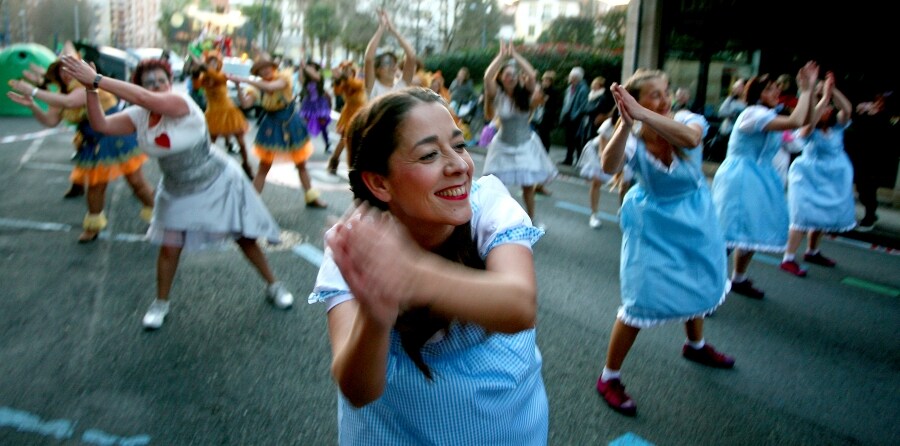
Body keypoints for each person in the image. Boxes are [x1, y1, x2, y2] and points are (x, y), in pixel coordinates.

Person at [308, 87, 548, 444]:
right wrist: (376, 314)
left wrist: (411, 275)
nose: (459, 166)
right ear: (379, 182)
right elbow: (358, 390)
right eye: (429, 155)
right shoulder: (355, 244)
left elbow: (519, 305)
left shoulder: (489, 206)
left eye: (460, 145)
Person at [58, 56, 296, 329]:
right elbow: (102, 125)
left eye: (162, 81)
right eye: (149, 82)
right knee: (169, 248)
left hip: (217, 181)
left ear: (170, 84)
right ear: (139, 85)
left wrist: (97, 79)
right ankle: (160, 303)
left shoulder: (181, 103)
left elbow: (147, 99)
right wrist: (91, 89)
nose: (157, 85)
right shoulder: (138, 115)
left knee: (244, 238)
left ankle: (274, 285)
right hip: (176, 188)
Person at [596, 69, 733, 417]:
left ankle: (695, 344)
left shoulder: (687, 119)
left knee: (698, 280)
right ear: (635, 101)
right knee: (639, 300)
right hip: (653, 225)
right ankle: (609, 376)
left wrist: (644, 114)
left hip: (695, 220)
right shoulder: (633, 137)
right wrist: (627, 123)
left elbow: (690, 140)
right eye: (654, 94)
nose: (665, 98)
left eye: (665, 91)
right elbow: (608, 164)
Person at [7, 60, 155, 243]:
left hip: (116, 136)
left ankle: (158, 216)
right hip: (93, 142)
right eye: (62, 71)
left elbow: (70, 102)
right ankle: (93, 227)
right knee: (95, 186)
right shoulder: (60, 94)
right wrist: (32, 104)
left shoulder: (85, 84)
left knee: (136, 183)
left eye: (70, 69)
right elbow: (50, 121)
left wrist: (35, 91)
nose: (66, 74)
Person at [711, 61, 819, 299]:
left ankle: (738, 278)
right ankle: (706, 286)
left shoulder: (770, 116)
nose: (776, 92)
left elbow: (805, 125)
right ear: (757, 94)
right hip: (739, 179)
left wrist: (810, 92)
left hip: (759, 180)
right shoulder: (752, 113)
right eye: (769, 89)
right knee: (728, 234)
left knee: (750, 231)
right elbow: (796, 121)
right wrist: (807, 90)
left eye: (776, 89)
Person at [780, 72, 857, 275]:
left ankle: (813, 251)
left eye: (829, 105)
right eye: (824, 105)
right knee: (802, 216)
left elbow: (847, 109)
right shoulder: (808, 125)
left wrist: (831, 91)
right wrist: (822, 97)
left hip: (833, 176)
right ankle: (788, 257)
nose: (828, 108)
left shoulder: (837, 126)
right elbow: (808, 126)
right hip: (808, 175)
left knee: (822, 212)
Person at [227, 58, 327, 208]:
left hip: (291, 122)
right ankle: (251, 203)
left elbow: (271, 87)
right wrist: (238, 86)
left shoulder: (283, 78)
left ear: (273, 67)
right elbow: (246, 103)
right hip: (271, 125)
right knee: (264, 166)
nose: (266, 70)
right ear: (258, 73)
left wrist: (243, 79)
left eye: (268, 66)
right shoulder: (257, 87)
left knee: (301, 164)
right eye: (262, 68)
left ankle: (311, 197)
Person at [482, 41, 557, 225]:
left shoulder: (525, 93)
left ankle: (531, 220)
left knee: (528, 187)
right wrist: (501, 56)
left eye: (514, 74)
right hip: (502, 146)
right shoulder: (497, 95)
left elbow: (531, 74)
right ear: (501, 78)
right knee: (498, 187)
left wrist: (514, 55)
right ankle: (499, 220)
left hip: (525, 144)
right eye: (508, 74)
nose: (512, 77)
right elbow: (487, 77)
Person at [194, 51, 253, 179]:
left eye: (215, 62)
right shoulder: (203, 78)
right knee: (210, 144)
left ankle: (246, 165)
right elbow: (196, 85)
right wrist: (195, 71)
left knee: (241, 141)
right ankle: (206, 167)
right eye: (210, 62)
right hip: (213, 114)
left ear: (219, 64)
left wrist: (203, 67)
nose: (212, 64)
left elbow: (216, 77)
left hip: (229, 111)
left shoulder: (221, 75)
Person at [845, 90, 896, 231]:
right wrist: (862, 112)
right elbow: (855, 127)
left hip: (875, 158)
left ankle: (870, 216)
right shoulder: (865, 110)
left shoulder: (886, 116)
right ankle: (869, 215)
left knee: (869, 189)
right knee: (862, 188)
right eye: (878, 99)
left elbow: (885, 133)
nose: (878, 102)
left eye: (882, 100)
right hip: (861, 156)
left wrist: (875, 114)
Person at [364, 10, 416, 99]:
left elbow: (411, 56)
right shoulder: (373, 86)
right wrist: (381, 28)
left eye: (394, 63)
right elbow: (369, 59)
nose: (392, 67)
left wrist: (394, 31)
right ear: (377, 70)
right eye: (387, 63)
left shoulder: (402, 85)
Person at [327, 60, 367, 175]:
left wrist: (342, 76)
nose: (348, 73)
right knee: (344, 140)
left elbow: (356, 85)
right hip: (349, 114)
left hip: (359, 113)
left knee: (359, 140)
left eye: (349, 71)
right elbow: (337, 91)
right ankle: (334, 162)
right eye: (345, 71)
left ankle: (357, 166)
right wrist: (337, 79)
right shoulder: (344, 83)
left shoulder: (358, 81)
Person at [298, 59, 333, 152]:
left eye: (313, 66)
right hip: (308, 104)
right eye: (310, 66)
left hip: (319, 103)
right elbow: (300, 79)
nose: (311, 68)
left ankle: (327, 144)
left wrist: (305, 66)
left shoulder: (319, 76)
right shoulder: (306, 79)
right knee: (304, 125)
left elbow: (315, 77)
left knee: (322, 125)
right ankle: (302, 145)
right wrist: (301, 68)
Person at [558, 67, 589, 165]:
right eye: (571, 77)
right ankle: (569, 159)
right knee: (569, 140)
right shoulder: (569, 88)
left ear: (578, 78)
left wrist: (575, 115)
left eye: (573, 78)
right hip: (568, 117)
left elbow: (583, 105)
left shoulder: (583, 89)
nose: (571, 79)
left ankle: (580, 160)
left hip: (577, 118)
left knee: (577, 140)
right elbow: (566, 103)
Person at [531, 70, 561, 153]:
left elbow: (555, 105)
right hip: (538, 114)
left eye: (547, 80)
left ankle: (545, 151)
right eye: (544, 80)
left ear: (551, 81)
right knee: (538, 135)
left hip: (547, 116)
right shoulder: (541, 89)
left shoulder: (554, 92)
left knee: (544, 135)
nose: (545, 82)